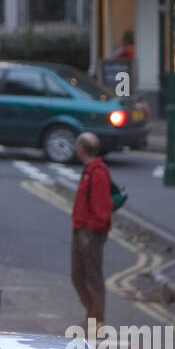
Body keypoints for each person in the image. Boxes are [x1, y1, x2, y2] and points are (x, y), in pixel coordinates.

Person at [71, 132, 113, 333]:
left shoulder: (98, 173)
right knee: (78, 275)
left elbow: (101, 209)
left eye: (77, 145)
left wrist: (90, 233)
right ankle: (92, 315)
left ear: (81, 148)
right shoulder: (89, 170)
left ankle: (97, 320)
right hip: (81, 229)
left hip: (90, 233)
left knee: (92, 276)